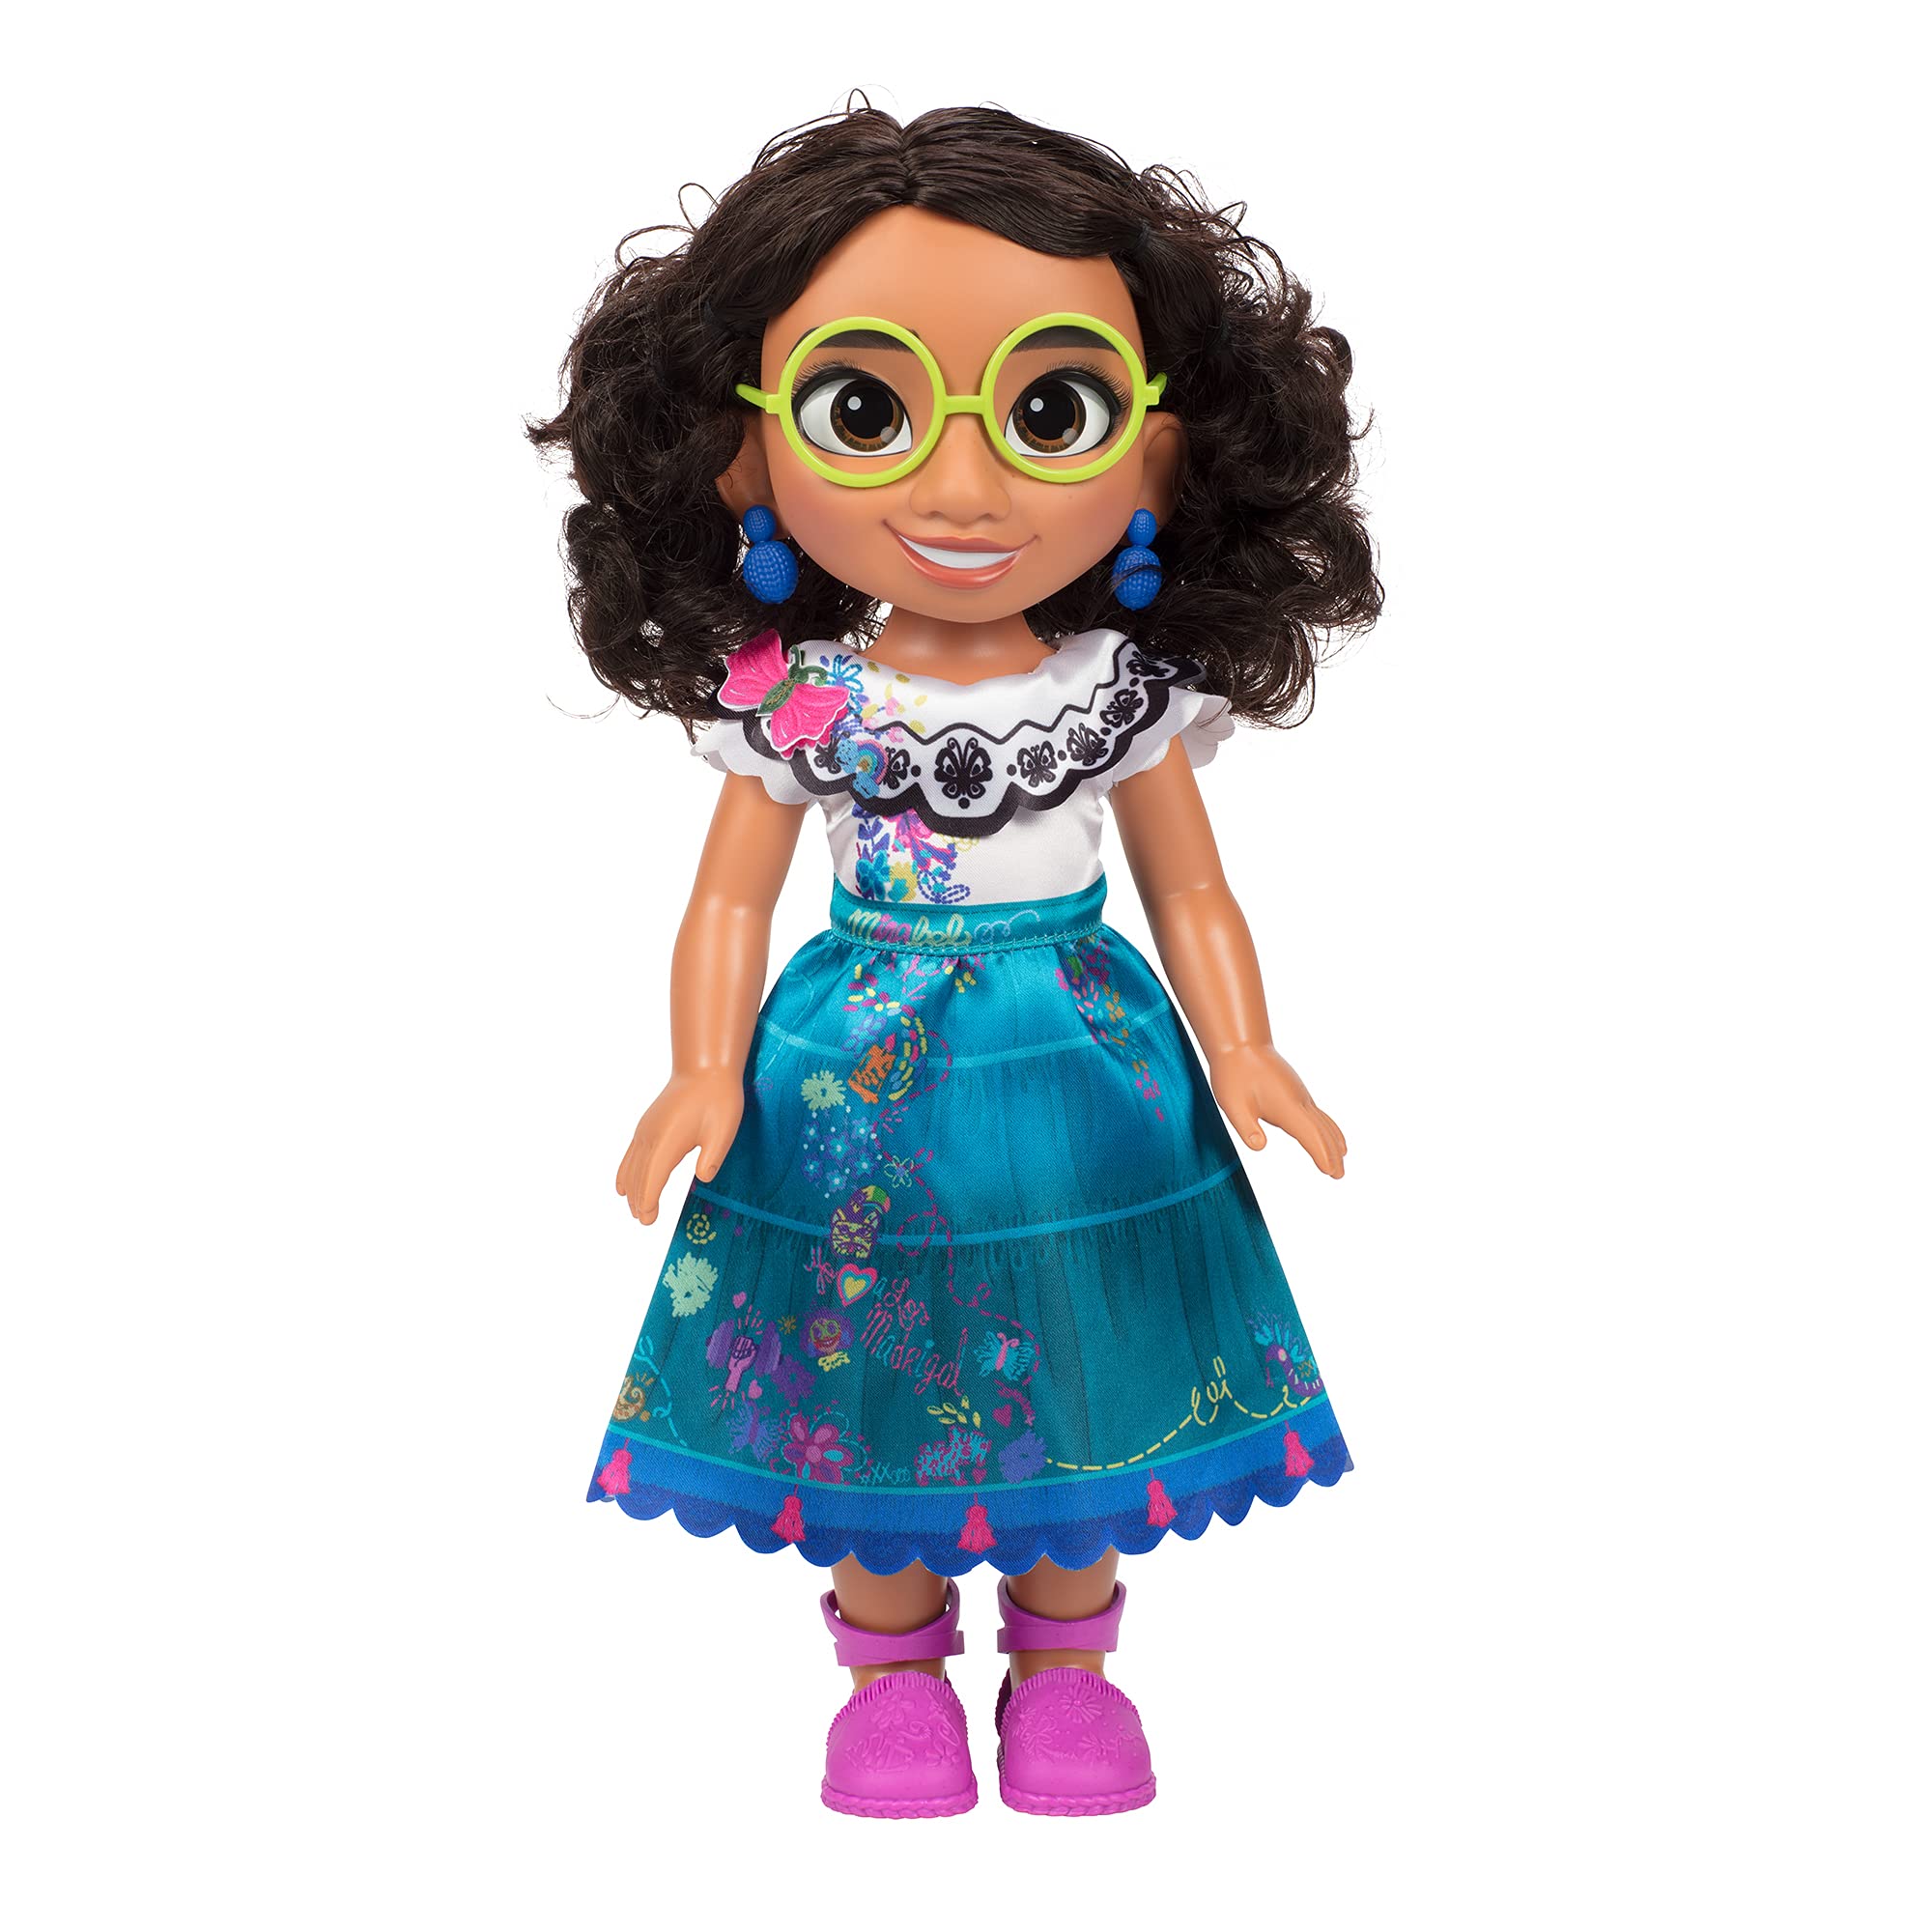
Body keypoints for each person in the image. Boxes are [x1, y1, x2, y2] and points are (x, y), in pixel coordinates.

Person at [531, 100, 1381, 1818]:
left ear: (1156, 459)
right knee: (864, 1367)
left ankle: (1068, 1671)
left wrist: (1245, 1047)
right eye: (868, 412)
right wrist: (700, 1068)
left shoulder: (1119, 698)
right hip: (849, 1087)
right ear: (748, 460)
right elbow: (728, 903)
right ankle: (893, 1676)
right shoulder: (805, 704)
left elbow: (1193, 891)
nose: (966, 486)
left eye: (1053, 411)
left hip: (1083, 1079)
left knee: (1082, 1358)